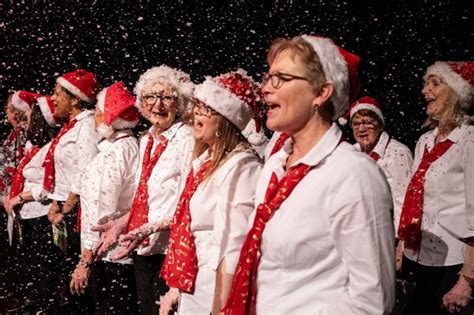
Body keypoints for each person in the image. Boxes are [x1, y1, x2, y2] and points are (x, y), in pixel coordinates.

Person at [222, 35, 396, 314]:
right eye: (268, 77)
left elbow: (371, 301)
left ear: (320, 93)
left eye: (280, 78)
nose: (265, 88)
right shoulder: (275, 166)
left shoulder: (353, 175)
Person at [159, 69, 264, 314]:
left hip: (213, 287)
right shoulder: (204, 162)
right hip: (194, 282)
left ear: (226, 120)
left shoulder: (242, 167)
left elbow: (234, 246)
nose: (196, 114)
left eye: (207, 109)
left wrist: (221, 305)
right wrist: (177, 286)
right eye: (197, 106)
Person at [92, 65, 195, 314]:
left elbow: (188, 203)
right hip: (142, 248)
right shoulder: (146, 138)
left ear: (179, 102)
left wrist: (150, 227)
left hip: (170, 252)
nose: (157, 104)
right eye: (150, 96)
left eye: (166, 97)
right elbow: (143, 197)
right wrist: (123, 223)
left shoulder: (188, 139)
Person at [398, 61, 474, 314]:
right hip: (417, 256)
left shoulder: (468, 140)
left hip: (452, 263)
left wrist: (466, 281)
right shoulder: (424, 141)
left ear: (455, 92)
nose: (424, 91)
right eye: (425, 83)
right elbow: (413, 197)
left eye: (434, 83)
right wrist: (401, 246)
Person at [69, 81, 141, 314]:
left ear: (111, 118)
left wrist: (85, 261)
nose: (94, 118)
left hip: (111, 255)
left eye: (99, 113)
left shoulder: (119, 151)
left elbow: (103, 210)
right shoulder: (114, 147)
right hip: (106, 254)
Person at [45, 69, 101, 313]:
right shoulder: (70, 127)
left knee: (78, 287)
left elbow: (84, 171)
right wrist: (55, 202)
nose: (53, 99)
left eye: (58, 94)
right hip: (64, 210)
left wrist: (66, 209)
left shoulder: (87, 126)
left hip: (78, 214)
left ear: (75, 98)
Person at [2, 95, 61, 313]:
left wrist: (18, 197)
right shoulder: (34, 147)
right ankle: (34, 299)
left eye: (29, 117)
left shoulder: (49, 148)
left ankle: (44, 303)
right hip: (25, 214)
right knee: (31, 264)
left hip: (39, 212)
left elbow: (46, 186)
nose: (24, 122)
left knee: (43, 266)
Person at [347, 96, 413, 237]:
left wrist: (399, 241)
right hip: (357, 232)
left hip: (386, 235)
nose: (361, 129)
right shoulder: (351, 152)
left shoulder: (398, 152)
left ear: (380, 124)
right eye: (356, 124)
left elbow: (404, 201)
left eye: (367, 123)